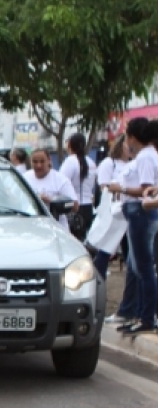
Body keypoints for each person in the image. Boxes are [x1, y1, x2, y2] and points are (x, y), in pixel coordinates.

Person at [107, 117, 158, 335]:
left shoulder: (146, 157)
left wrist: (123, 188)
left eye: (127, 136)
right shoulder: (144, 156)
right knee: (137, 267)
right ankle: (138, 313)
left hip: (141, 214)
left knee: (144, 268)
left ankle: (147, 317)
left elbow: (147, 190)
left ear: (133, 138)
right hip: (136, 215)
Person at [92, 135, 132, 280]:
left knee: (129, 249)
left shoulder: (132, 164)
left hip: (128, 212)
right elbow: (104, 186)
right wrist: (117, 189)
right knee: (106, 248)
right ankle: (99, 279)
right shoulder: (109, 163)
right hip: (114, 212)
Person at [23, 148, 78, 231]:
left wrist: (51, 201)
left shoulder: (60, 180)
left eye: (42, 161)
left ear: (49, 160)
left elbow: (75, 206)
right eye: (35, 162)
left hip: (56, 229)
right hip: (30, 228)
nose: (39, 165)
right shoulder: (24, 178)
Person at [59, 132, 98, 241]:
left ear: (70, 144)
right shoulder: (91, 162)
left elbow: (61, 183)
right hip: (88, 207)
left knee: (72, 242)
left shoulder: (70, 161)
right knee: (84, 240)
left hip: (73, 207)